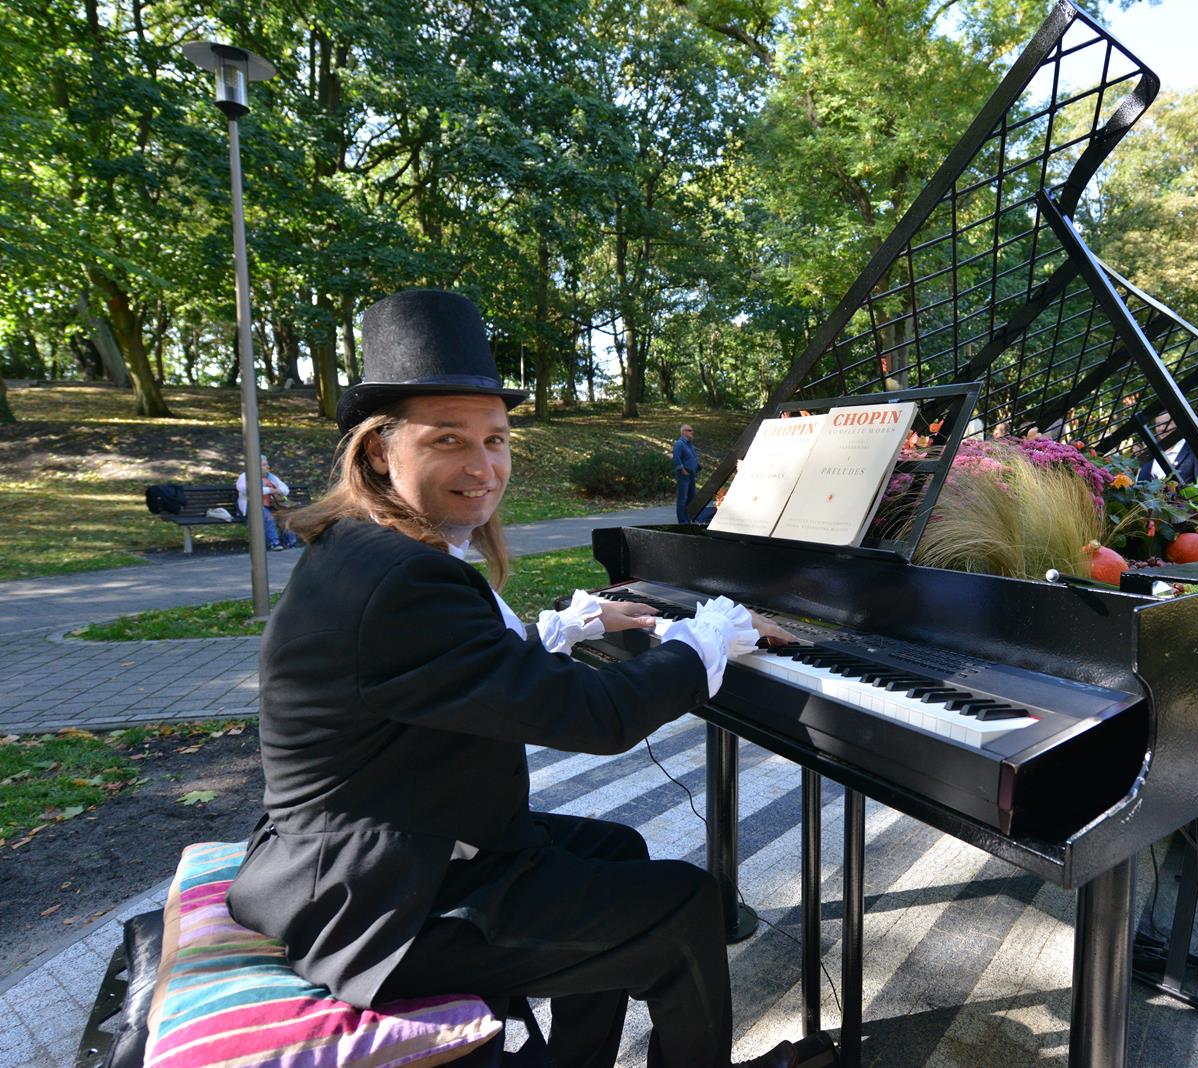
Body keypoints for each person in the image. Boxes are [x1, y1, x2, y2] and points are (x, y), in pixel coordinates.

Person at [226, 290, 831, 1068]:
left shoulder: (369, 548)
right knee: (683, 905)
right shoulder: (402, 578)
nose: (483, 468)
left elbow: (450, 669)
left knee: (618, 847)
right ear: (379, 452)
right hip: (376, 906)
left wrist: (571, 626)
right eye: (448, 440)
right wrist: (708, 636)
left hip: (383, 851)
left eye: (496, 440)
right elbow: (598, 719)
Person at [235, 455, 299, 550]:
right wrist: (269, 490)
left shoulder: (271, 477)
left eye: (267, 464)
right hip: (253, 506)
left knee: (287, 516)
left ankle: (290, 543)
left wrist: (278, 490)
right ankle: (274, 543)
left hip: (274, 505)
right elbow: (247, 490)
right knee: (268, 517)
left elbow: (285, 489)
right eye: (264, 465)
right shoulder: (245, 477)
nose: (268, 467)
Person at [1135, 410, 1198, 483]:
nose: (1161, 428)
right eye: (1158, 425)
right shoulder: (1152, 453)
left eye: (1166, 423)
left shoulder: (1194, 450)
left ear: (1177, 423)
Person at [672, 423, 699, 524]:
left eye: (692, 430)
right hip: (683, 475)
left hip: (691, 475)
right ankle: (682, 522)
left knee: (692, 498)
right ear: (683, 432)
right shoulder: (679, 444)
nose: (692, 432)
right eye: (690, 430)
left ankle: (689, 520)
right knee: (682, 499)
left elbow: (692, 458)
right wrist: (682, 470)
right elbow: (676, 458)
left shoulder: (689, 444)